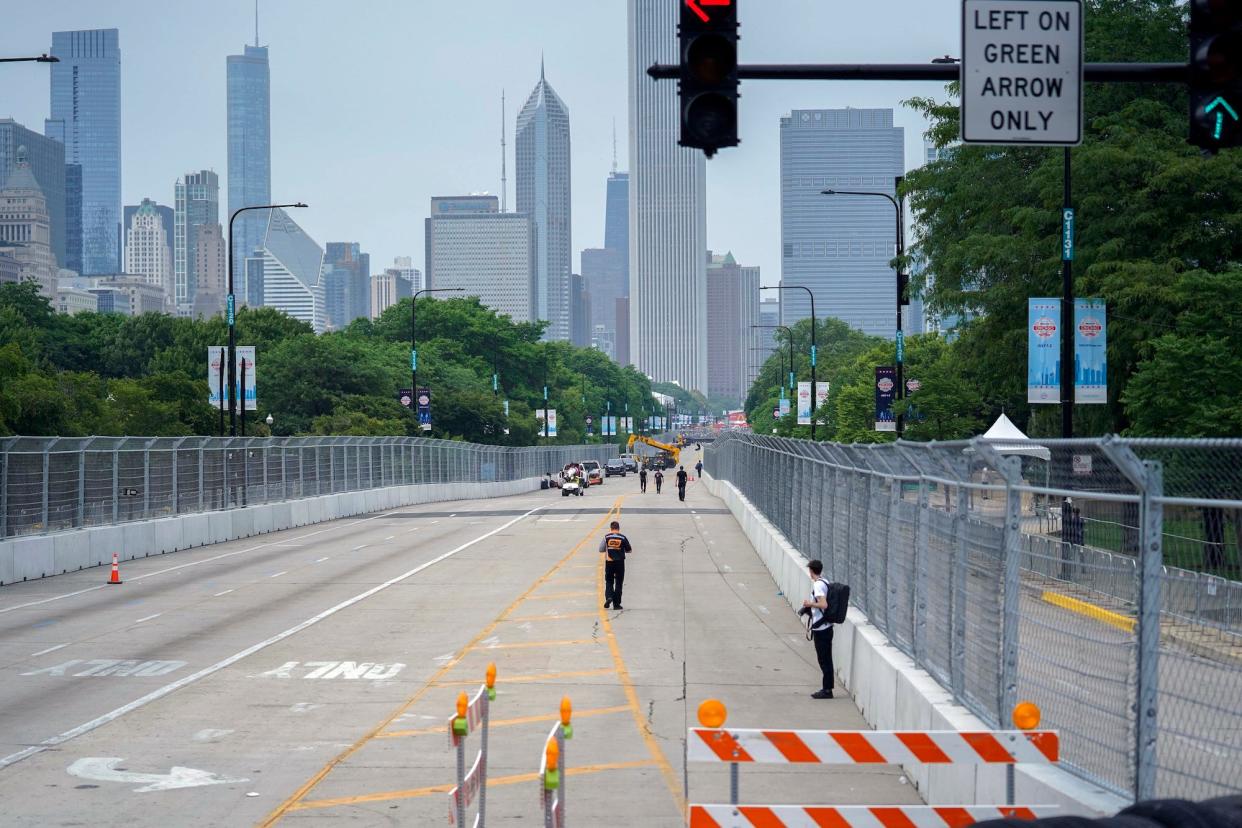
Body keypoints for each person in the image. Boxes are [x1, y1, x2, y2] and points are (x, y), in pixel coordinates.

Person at [801, 559, 834, 699]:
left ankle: (827, 690)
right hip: (826, 626)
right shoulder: (824, 581)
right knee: (826, 658)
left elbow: (823, 604)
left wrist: (810, 604)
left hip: (822, 628)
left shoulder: (819, 585)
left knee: (824, 659)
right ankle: (827, 688)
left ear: (811, 571)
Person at [599, 520, 632, 610]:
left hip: (609, 562)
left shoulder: (606, 537)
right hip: (620, 563)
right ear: (618, 528)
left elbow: (601, 549)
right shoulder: (623, 538)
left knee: (609, 581)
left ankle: (609, 596)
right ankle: (616, 604)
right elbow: (629, 550)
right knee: (619, 583)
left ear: (611, 528)